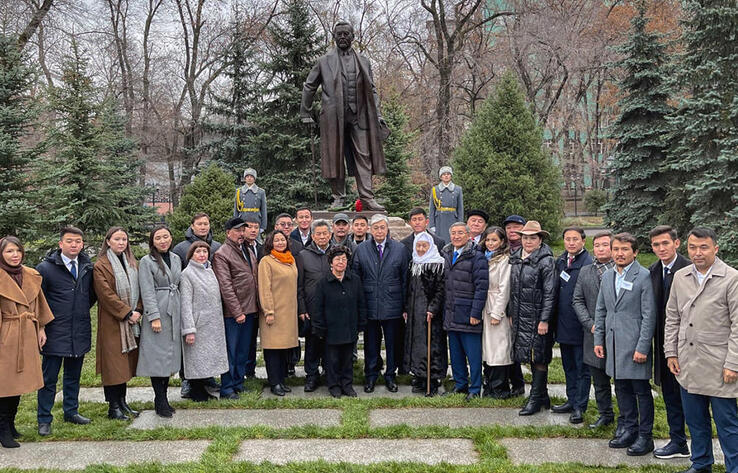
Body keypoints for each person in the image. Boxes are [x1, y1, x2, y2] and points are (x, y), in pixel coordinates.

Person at [664, 227, 738, 473]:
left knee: (727, 424)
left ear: (715, 248)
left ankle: (734, 467)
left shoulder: (731, 278)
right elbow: (672, 316)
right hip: (688, 363)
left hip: (719, 364)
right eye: (693, 247)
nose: (697, 252)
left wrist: (733, 364)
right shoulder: (681, 276)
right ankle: (701, 463)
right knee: (696, 421)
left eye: (703, 247)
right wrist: (671, 352)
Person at [300, 21, 388, 211]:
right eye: (338, 34)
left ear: (352, 37)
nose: (342, 37)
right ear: (334, 36)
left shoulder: (363, 61)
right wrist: (305, 111)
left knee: (363, 156)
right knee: (335, 156)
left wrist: (377, 115)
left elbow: (372, 90)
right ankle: (338, 198)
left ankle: (367, 197)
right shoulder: (324, 61)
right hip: (333, 117)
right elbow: (309, 85)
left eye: (345, 34)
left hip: (360, 116)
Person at [594, 233, 656, 456]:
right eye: (616, 249)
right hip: (613, 344)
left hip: (634, 345)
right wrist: (598, 339)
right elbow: (601, 310)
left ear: (635, 252)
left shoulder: (644, 276)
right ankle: (629, 429)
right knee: (621, 388)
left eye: (625, 249)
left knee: (640, 390)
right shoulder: (608, 275)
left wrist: (643, 347)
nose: (620, 253)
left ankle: (645, 436)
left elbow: (649, 316)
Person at [35, 227, 95, 436]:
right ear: (61, 244)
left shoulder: (87, 267)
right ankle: (44, 418)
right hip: (54, 331)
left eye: (78, 241)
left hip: (78, 330)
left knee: (73, 375)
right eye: (69, 241)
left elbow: (91, 296)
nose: (74, 245)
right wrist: (42, 326)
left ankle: (71, 411)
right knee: (49, 378)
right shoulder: (46, 268)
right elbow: (38, 300)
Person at [0, 237, 54, 448]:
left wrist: (41, 327)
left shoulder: (31, 275)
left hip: (28, 333)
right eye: (9, 251)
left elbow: (39, 303)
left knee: (19, 383)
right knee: (5, 385)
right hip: (6, 336)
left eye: (18, 251)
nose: (15, 255)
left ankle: (11, 423)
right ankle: (2, 428)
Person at [352, 214, 409, 393]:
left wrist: (405, 306)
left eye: (382, 227)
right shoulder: (361, 249)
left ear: (387, 229)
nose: (379, 231)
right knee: (371, 344)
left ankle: (390, 375)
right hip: (370, 305)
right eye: (375, 228)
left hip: (393, 304)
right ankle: (371, 375)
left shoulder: (399, 249)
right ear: (370, 229)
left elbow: (405, 279)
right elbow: (356, 278)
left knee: (392, 343)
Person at [648, 225, 691, 460]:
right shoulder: (653, 270)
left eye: (665, 243)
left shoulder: (689, 268)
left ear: (676, 243)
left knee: (691, 397)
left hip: (688, 344)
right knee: (670, 395)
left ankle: (701, 445)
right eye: (656, 245)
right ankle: (678, 441)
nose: (661, 248)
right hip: (664, 344)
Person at [93, 227, 142, 421]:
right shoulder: (101, 265)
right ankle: (113, 407)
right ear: (108, 241)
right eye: (117, 239)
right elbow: (106, 295)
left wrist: (138, 310)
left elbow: (140, 289)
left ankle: (122, 402)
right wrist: (127, 312)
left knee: (125, 366)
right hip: (113, 322)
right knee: (113, 366)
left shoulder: (131, 262)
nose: (121, 243)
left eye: (124, 239)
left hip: (131, 322)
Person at [508, 221, 556, 416]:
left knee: (539, 356)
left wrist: (544, 320)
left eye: (532, 238)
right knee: (526, 355)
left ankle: (535, 398)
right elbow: (511, 289)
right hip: (520, 316)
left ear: (540, 239)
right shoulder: (515, 258)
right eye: (525, 237)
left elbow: (550, 293)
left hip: (537, 317)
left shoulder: (546, 261)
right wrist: (511, 312)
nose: (528, 241)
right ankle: (543, 396)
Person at [572, 231, 619, 430]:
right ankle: (605, 413)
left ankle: (627, 418)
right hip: (592, 333)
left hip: (618, 334)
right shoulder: (586, 271)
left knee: (624, 381)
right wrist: (589, 323)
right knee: (599, 380)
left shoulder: (621, 271)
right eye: (597, 245)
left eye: (605, 245)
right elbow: (577, 300)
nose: (600, 249)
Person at [137, 226, 182, 418]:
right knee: (157, 358)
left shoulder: (176, 258)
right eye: (158, 238)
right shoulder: (146, 262)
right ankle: (160, 399)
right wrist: (153, 316)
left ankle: (164, 398)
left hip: (174, 310)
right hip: (159, 312)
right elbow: (146, 290)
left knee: (170, 356)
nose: (163, 240)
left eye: (166, 237)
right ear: (152, 241)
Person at [441, 223, 489, 400]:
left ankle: (475, 388)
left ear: (468, 235)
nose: (456, 236)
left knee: (473, 355)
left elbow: (481, 287)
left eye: (460, 233)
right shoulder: (446, 254)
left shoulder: (477, 257)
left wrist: (476, 313)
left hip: (468, 313)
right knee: (455, 354)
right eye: (453, 233)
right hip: (451, 312)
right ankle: (460, 384)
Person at [212, 217, 259, 399]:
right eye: (238, 231)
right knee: (231, 351)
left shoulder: (247, 249)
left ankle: (238, 383)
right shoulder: (222, 254)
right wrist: (237, 311)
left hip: (250, 309)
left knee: (243, 350)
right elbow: (226, 286)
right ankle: (227, 387)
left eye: (243, 230)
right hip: (234, 314)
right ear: (228, 233)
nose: (241, 234)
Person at [312, 246, 367, 398]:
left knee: (348, 360)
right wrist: (319, 327)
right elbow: (318, 307)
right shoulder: (323, 283)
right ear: (331, 263)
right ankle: (334, 385)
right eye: (337, 259)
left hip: (350, 328)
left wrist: (361, 323)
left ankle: (347, 385)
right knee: (333, 360)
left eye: (344, 259)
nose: (341, 262)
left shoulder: (354, 280)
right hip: (331, 329)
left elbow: (361, 303)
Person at [552, 227, 593, 424]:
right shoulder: (561, 261)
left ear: (583, 241)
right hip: (563, 323)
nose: (571, 243)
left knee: (582, 368)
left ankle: (580, 406)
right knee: (568, 366)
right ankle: (571, 399)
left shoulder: (588, 262)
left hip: (581, 325)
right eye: (567, 239)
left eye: (575, 239)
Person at [179, 241, 228, 402]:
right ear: (191, 255)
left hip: (213, 324)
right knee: (196, 359)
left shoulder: (210, 271)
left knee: (207, 359)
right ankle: (196, 391)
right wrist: (189, 329)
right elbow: (185, 304)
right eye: (198, 252)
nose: (202, 255)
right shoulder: (187, 274)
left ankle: (205, 389)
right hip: (197, 324)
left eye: (204, 252)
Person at [403, 232, 447, 396]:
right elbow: (409, 289)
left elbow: (440, 290)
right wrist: (407, 308)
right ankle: (420, 377)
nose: (421, 249)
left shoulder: (436, 264)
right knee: (417, 346)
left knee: (431, 347)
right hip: (415, 313)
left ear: (431, 246)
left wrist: (433, 308)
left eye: (424, 246)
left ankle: (433, 379)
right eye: (418, 246)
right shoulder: (414, 263)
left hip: (429, 314)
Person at [257, 231, 299, 396]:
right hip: (274, 312)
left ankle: (282, 380)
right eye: (277, 240)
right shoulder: (266, 262)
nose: (280, 242)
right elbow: (264, 288)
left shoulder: (290, 260)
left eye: (283, 239)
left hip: (289, 313)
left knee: (284, 350)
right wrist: (269, 311)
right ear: (270, 243)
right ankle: (274, 383)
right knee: (273, 350)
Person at [297, 220, 333, 392]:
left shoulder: (336, 253)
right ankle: (311, 376)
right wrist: (302, 308)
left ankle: (328, 373)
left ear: (330, 235)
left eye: (325, 233)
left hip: (332, 309)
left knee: (330, 344)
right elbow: (300, 285)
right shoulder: (304, 255)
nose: (322, 236)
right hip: (312, 310)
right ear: (312, 236)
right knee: (312, 345)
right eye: (318, 234)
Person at [480, 227, 513, 399]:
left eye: (494, 240)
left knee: (499, 349)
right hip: (484, 305)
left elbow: (504, 288)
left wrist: (496, 313)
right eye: (488, 240)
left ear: (502, 242)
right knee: (487, 349)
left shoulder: (504, 260)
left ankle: (500, 388)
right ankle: (489, 386)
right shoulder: (484, 258)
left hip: (496, 306)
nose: (490, 243)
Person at [502, 214, 527, 396]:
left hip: (521, 306)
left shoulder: (525, 250)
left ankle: (518, 383)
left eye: (516, 227)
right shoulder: (502, 248)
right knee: (504, 345)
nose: (512, 230)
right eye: (509, 227)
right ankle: (503, 380)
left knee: (517, 346)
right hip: (501, 303)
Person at [242, 217, 263, 377]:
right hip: (243, 301)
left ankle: (251, 369)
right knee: (244, 339)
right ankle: (242, 369)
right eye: (250, 227)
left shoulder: (261, 248)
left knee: (252, 338)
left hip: (258, 300)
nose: (253, 230)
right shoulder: (239, 248)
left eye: (256, 227)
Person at [429, 166, 463, 242]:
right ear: (441, 177)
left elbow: (460, 208)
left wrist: (460, 224)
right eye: (444, 174)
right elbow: (432, 209)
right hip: (440, 220)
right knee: (440, 241)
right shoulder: (435, 190)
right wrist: (432, 225)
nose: (446, 176)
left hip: (453, 219)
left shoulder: (458, 189)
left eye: (448, 174)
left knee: (453, 239)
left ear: (451, 176)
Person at [234, 168, 267, 234]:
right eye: (247, 176)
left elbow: (263, 210)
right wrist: (235, 223)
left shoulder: (261, 192)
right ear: (245, 178)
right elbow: (236, 210)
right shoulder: (239, 191)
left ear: (254, 178)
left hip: (256, 220)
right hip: (242, 220)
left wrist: (263, 226)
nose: (249, 178)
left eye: (251, 176)